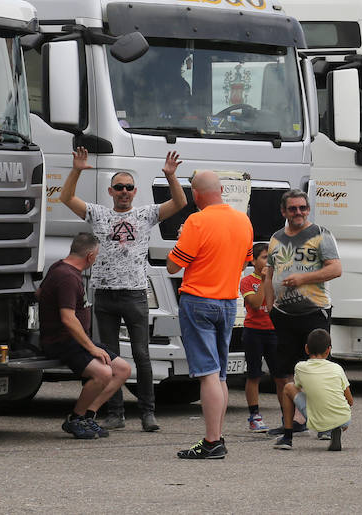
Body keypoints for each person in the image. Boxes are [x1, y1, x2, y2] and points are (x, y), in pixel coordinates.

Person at [58, 147, 185, 432]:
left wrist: (171, 176)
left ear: (135, 191)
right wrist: (77, 169)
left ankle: (148, 413)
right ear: (111, 191)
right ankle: (115, 413)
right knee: (109, 355)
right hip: (104, 294)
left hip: (135, 294)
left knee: (141, 354)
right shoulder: (98, 214)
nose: (124, 192)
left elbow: (179, 202)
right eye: (119, 188)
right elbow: (65, 198)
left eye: (128, 187)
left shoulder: (146, 214)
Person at [166, 170, 254, 459]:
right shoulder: (243, 220)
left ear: (196, 194)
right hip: (228, 302)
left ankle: (212, 441)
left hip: (198, 300)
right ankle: (217, 435)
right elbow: (244, 263)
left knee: (207, 374)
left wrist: (180, 239)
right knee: (220, 375)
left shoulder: (197, 221)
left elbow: (172, 266)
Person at [264, 190, 343, 450]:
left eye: (302, 208)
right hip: (283, 315)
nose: (298, 213)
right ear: (283, 212)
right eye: (293, 209)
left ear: (308, 209)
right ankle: (292, 424)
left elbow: (335, 268)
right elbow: (270, 274)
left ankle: (326, 423)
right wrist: (269, 305)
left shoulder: (321, 233)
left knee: (319, 372)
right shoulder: (275, 239)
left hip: (314, 312)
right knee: (283, 373)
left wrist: (302, 279)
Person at [37, 233, 133, 440]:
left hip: (77, 341)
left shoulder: (60, 268)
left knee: (123, 370)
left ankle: (88, 416)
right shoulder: (67, 277)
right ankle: (75, 418)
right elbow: (68, 318)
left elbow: (39, 293)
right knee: (103, 373)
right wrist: (91, 347)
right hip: (62, 341)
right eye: (96, 255)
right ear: (90, 256)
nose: (96, 259)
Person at [280, 328, 354, 451]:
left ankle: (287, 438)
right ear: (329, 350)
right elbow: (350, 401)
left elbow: (297, 388)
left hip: (317, 420)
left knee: (288, 388)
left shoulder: (300, 367)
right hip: (344, 419)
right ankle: (332, 429)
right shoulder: (337, 368)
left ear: (306, 348)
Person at [240, 242, 281, 433]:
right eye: (264, 257)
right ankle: (254, 416)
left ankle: (288, 416)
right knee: (254, 375)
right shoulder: (247, 281)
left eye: (270, 258)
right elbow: (256, 304)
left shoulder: (277, 279)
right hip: (253, 331)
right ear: (254, 260)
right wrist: (264, 281)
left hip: (274, 331)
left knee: (281, 376)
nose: (267, 261)